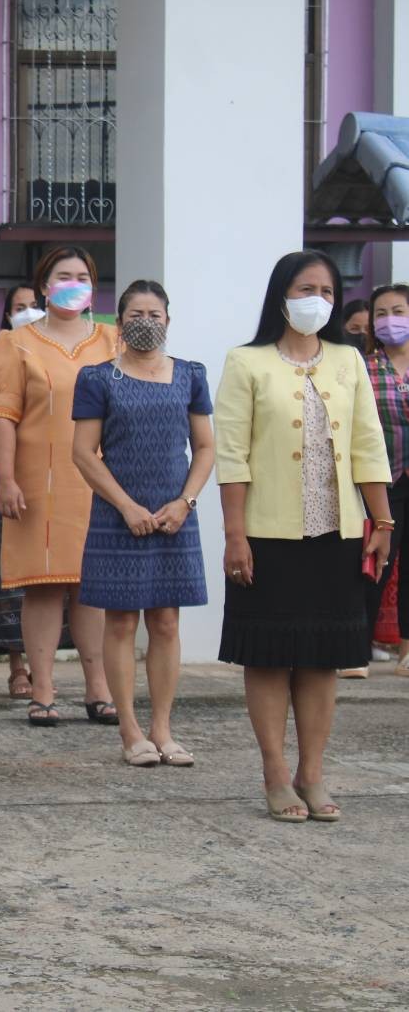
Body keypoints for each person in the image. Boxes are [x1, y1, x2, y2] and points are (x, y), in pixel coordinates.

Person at [215, 250, 391, 823]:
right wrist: (235, 534)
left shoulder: (348, 360)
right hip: (266, 535)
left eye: (327, 290)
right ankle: (274, 773)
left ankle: (311, 772)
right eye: (305, 288)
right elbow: (232, 455)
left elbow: (368, 444)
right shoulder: (246, 361)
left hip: (337, 533)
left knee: (322, 657)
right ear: (281, 295)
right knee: (268, 657)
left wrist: (383, 521)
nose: (317, 299)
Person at [70, 281, 214, 767]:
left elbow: (206, 447)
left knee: (167, 621)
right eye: (136, 314)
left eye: (155, 314)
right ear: (119, 321)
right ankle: (130, 731)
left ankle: (163, 730)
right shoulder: (97, 378)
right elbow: (82, 453)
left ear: (168, 320)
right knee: (121, 622)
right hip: (118, 515)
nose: (146, 322)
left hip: (175, 514)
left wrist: (185, 502)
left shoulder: (191, 375)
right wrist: (126, 506)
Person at [0, 246, 117, 726]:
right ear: (44, 286)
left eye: (82, 276)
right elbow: (3, 414)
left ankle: (98, 688)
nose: (73, 285)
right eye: (64, 276)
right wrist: (6, 479)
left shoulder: (112, 340)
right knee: (43, 586)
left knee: (91, 586)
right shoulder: (15, 342)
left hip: (100, 480)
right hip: (37, 481)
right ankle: (42, 689)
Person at [0, 287, 62, 698]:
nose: (29, 312)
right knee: (9, 575)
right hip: (12, 478)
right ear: (7, 315)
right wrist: (6, 476)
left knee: (59, 580)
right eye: (19, 307)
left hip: (57, 480)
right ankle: (16, 666)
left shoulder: (60, 352)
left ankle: (51, 670)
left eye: (34, 306)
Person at [358, 282, 409, 679]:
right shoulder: (362, 367)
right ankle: (355, 648)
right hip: (382, 480)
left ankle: (407, 651)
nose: (389, 320)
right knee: (377, 560)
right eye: (381, 314)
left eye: (399, 312)